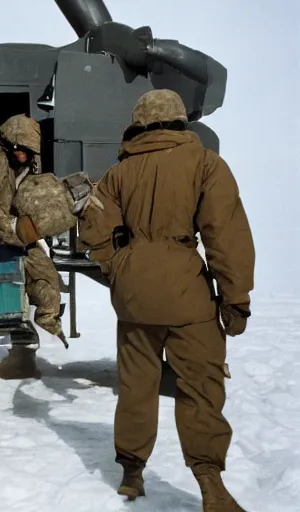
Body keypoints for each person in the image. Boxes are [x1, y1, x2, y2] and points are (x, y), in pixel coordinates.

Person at [77, 88, 252, 511]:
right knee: (201, 388)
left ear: (139, 123)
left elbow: (94, 232)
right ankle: (211, 486)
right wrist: (235, 297)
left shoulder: (117, 174)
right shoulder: (206, 164)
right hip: (188, 295)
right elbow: (224, 236)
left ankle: (131, 474)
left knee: (137, 385)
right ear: (178, 121)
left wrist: (117, 267)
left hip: (134, 296)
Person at [0, 114, 65, 378]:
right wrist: (9, 223)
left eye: (29, 152)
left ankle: (43, 326)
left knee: (45, 277)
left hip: (17, 234)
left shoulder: (29, 161)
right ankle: (15, 353)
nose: (26, 157)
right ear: (9, 145)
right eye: (22, 151)